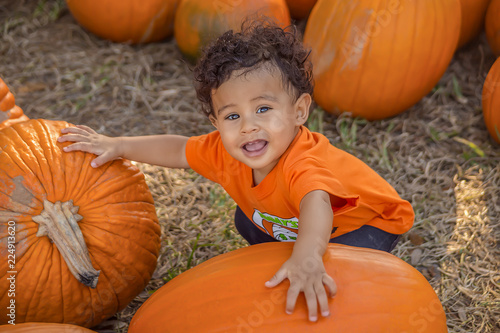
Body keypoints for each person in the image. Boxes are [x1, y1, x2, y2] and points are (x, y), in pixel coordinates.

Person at [58, 21, 414, 322]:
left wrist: (308, 255)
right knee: (246, 220)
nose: (248, 126)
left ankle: (316, 269)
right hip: (294, 220)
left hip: (367, 224)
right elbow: (178, 148)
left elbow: (315, 202)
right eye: (232, 116)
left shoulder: (303, 162)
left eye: (263, 108)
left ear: (299, 111)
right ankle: (291, 254)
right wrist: (119, 145)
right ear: (215, 122)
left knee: (329, 275)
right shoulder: (222, 151)